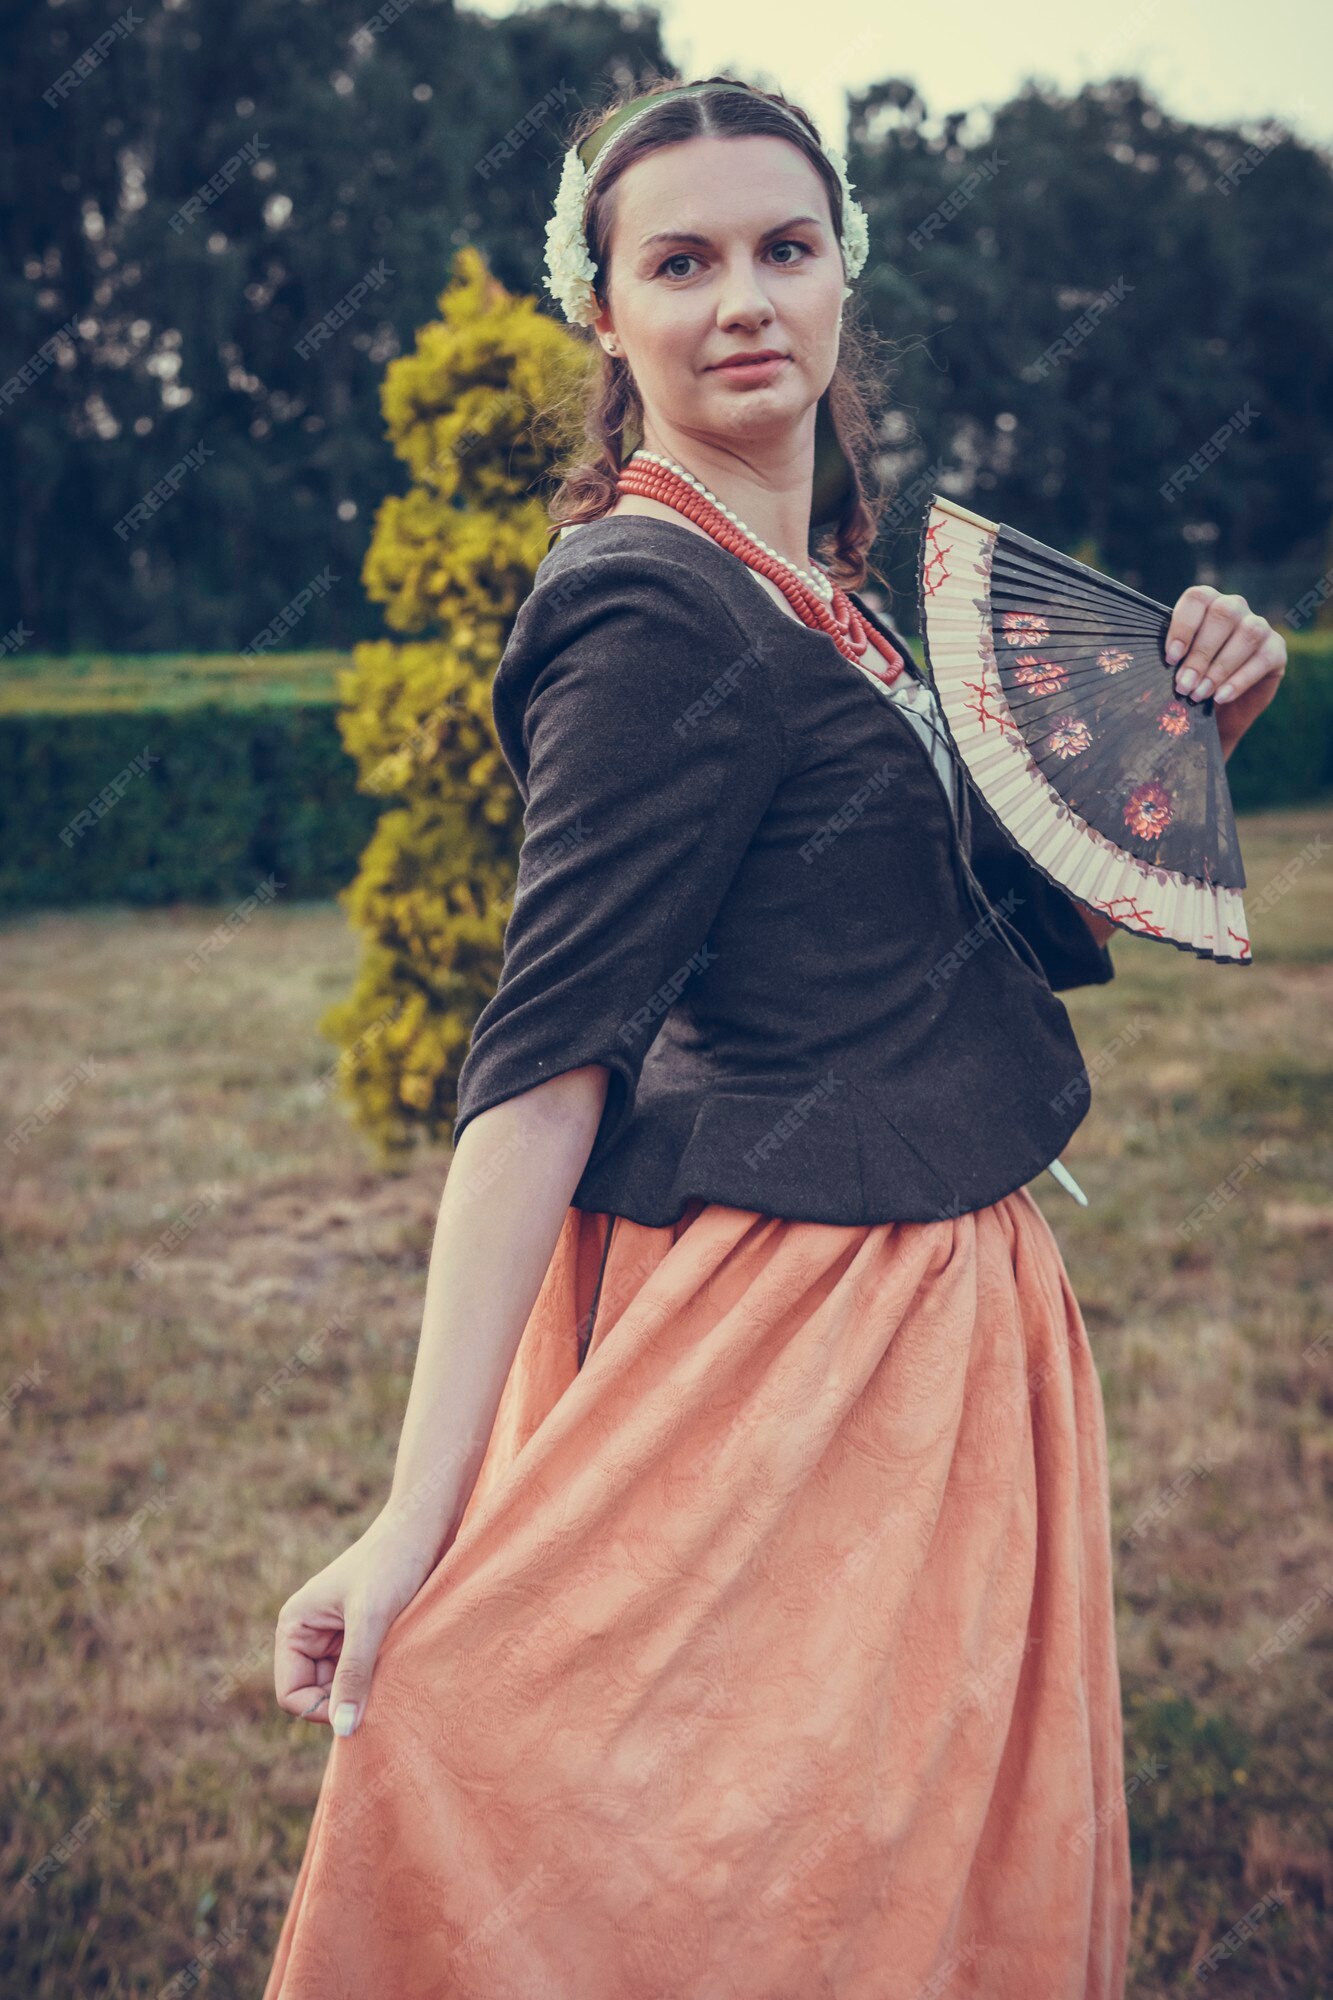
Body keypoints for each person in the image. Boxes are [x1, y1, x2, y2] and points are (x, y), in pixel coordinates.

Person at [263, 73, 1287, 2000]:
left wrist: (1174, 745)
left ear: (839, 280)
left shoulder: (811, 586)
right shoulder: (652, 610)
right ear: (605, 311)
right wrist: (421, 1514)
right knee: (784, 1873)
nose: (742, 297)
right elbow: (545, 1058)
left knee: (886, 1848)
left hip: (922, 1298)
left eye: (781, 248)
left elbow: (926, 930)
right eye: (682, 260)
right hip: (796, 1330)